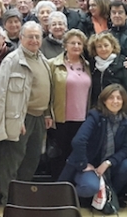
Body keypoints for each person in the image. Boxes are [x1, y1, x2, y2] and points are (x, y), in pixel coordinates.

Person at [0, 21, 54, 205]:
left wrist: (48, 113)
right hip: (20, 118)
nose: (34, 40)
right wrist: (14, 120)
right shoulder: (12, 61)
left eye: (37, 37)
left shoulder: (42, 59)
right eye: (30, 36)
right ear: (21, 38)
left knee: (32, 160)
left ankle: (23, 196)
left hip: (39, 117)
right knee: (12, 161)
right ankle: (9, 199)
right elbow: (0, 95)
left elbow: (47, 89)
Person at [59, 84, 127, 205]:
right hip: (90, 165)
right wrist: (83, 164)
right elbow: (78, 141)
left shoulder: (126, 122)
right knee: (89, 187)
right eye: (111, 98)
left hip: (108, 165)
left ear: (124, 101)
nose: (115, 101)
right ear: (104, 100)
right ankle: (75, 197)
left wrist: (108, 163)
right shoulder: (95, 116)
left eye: (119, 98)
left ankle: (109, 195)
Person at [47, 30, 92, 180]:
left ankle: (73, 189)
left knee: (76, 155)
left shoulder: (87, 65)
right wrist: (48, 113)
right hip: (61, 119)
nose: (76, 46)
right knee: (59, 155)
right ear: (65, 45)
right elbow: (47, 91)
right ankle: (58, 190)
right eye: (72, 43)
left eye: (79, 43)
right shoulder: (53, 64)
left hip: (83, 119)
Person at [87, 33, 127, 131]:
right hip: (99, 115)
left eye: (106, 45)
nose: (103, 49)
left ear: (113, 46)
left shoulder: (123, 64)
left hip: (120, 115)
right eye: (99, 46)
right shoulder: (91, 66)